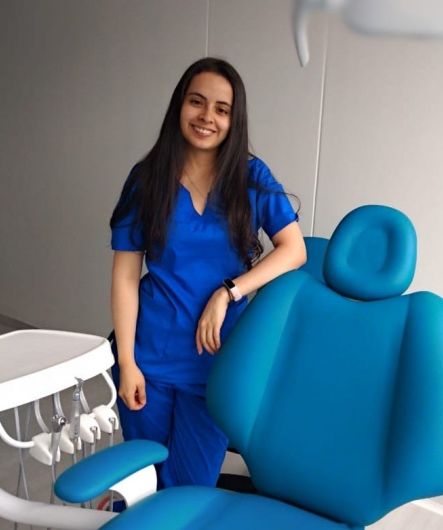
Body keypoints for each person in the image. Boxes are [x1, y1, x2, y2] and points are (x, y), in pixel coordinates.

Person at [109, 57, 307, 490]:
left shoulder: (250, 177)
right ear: (179, 105)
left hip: (217, 365)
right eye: (196, 102)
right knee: (143, 483)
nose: (207, 117)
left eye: (222, 109)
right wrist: (126, 363)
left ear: (234, 119)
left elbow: (294, 250)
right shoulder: (147, 179)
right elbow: (125, 277)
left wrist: (228, 292)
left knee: (190, 488)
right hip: (149, 356)